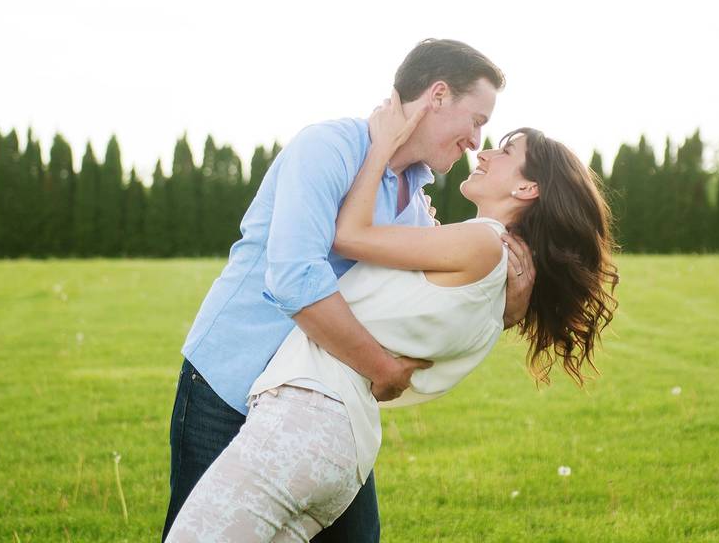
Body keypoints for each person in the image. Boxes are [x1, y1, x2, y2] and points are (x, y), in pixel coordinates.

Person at [165, 91, 619, 542]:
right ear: (437, 97)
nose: (480, 147)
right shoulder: (470, 250)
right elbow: (427, 308)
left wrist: (380, 149)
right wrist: (508, 311)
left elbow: (348, 236)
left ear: (526, 188)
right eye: (477, 122)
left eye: (502, 147)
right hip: (320, 425)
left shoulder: (481, 244)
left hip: (305, 416)